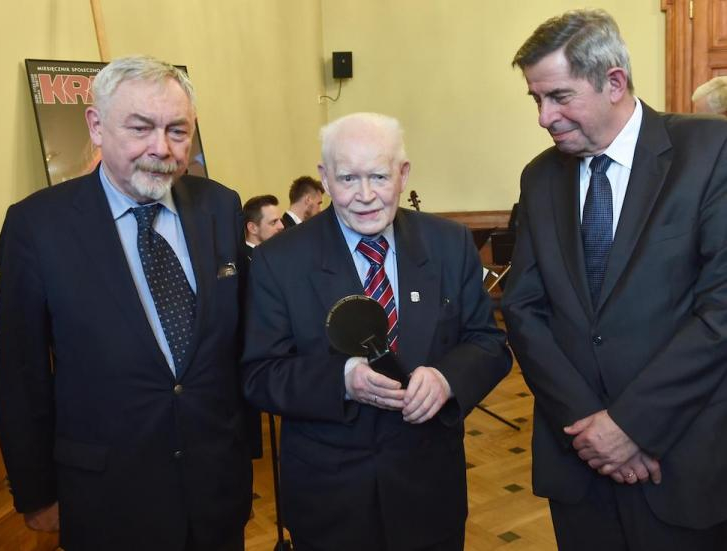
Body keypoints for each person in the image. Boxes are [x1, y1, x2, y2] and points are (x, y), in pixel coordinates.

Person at [0, 55, 252, 551]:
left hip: (216, 491)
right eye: (140, 128)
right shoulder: (37, 227)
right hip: (105, 497)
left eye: (178, 131)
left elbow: (235, 344)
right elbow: (20, 376)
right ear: (96, 126)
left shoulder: (220, 206)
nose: (161, 149)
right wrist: (35, 493)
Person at [502, 9, 727, 551]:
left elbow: (720, 309)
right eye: (536, 99)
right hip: (578, 460)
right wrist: (590, 427)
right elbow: (524, 309)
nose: (543, 117)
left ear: (614, 82)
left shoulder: (710, 151)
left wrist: (631, 426)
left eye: (558, 96)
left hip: (681, 458)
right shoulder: (539, 177)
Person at [241, 112, 511, 551]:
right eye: (348, 178)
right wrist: (342, 381)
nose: (365, 196)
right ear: (324, 179)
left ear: (403, 174)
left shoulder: (449, 244)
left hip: (429, 492)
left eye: (379, 176)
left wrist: (447, 379)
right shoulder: (280, 260)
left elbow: (488, 343)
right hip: (329, 499)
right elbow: (260, 374)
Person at [242, 194, 284, 261]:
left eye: (280, 220)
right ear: (252, 228)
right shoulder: (242, 262)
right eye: (274, 222)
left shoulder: (276, 253)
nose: (282, 226)